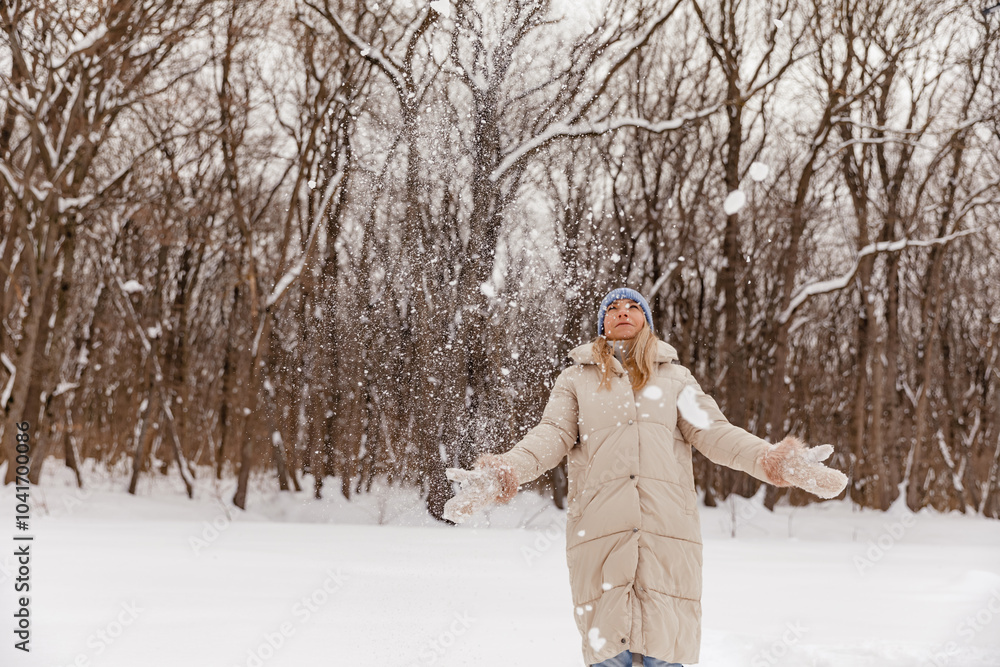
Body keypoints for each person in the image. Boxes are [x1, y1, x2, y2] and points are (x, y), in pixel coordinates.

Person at [443, 287, 848, 667]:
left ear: (647, 321)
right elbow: (550, 436)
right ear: (602, 324)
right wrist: (505, 472)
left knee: (664, 645)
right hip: (600, 536)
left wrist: (772, 460)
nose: (623, 313)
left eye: (633, 307)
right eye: (613, 309)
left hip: (666, 537)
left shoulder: (676, 379)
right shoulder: (576, 380)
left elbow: (715, 432)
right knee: (608, 650)